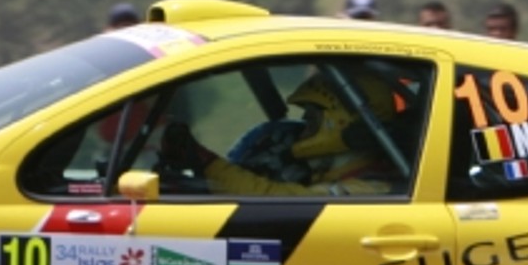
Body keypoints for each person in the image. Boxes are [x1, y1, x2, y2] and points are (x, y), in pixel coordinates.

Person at [156, 70, 401, 197]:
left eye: (312, 118)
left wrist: (206, 162)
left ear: (343, 121)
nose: (304, 127)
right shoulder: (334, 176)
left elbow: (270, 197)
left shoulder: (367, 190)